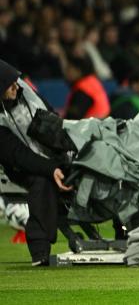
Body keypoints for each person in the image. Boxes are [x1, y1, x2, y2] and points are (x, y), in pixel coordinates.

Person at [0, 58, 72, 266]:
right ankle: (40, 250)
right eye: (8, 84)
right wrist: (52, 169)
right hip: (20, 166)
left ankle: (124, 235)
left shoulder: (23, 88)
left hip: (53, 150)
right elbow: (18, 156)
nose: (16, 85)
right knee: (41, 182)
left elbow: (51, 115)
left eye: (15, 80)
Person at [63, 55, 110, 120]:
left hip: (91, 127)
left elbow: (73, 119)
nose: (66, 73)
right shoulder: (92, 81)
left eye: (69, 69)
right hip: (101, 124)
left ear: (78, 71)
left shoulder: (83, 91)